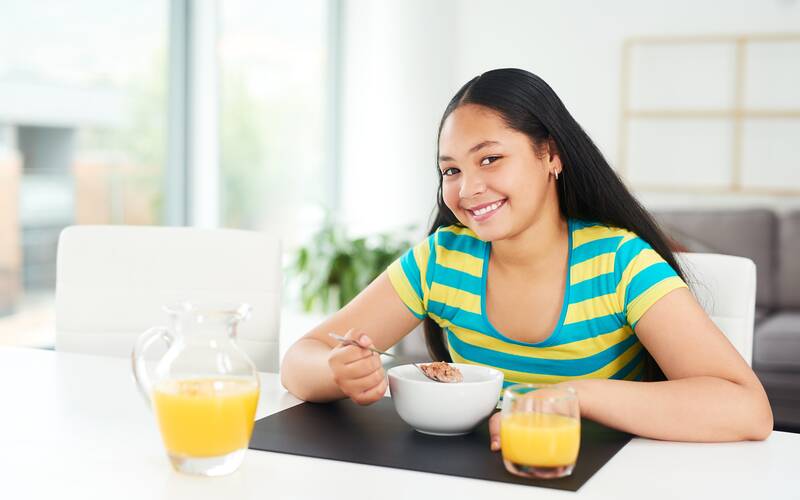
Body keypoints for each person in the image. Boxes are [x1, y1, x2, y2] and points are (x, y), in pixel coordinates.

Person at [281, 68, 773, 447]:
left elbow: (747, 409)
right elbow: (301, 359)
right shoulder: (440, 262)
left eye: (490, 159)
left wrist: (573, 398)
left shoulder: (620, 264)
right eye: (450, 170)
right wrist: (337, 371)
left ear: (551, 156)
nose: (468, 188)